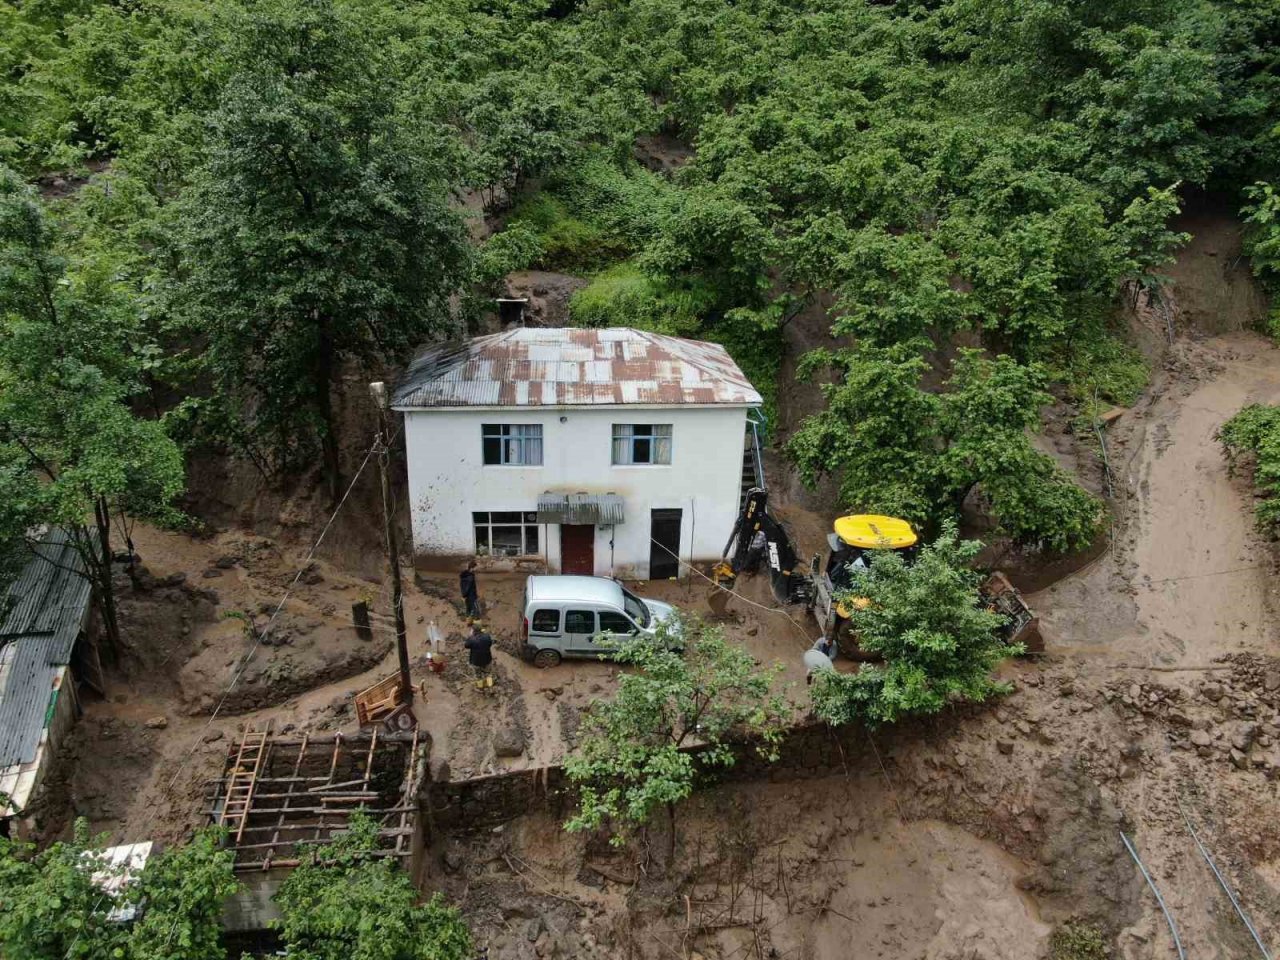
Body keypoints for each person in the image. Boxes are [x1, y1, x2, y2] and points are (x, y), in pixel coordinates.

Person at [464, 622, 495, 690]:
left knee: (478, 675)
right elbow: (490, 643)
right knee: (489, 673)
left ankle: (480, 687)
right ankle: (490, 686)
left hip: (476, 661)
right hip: (487, 659)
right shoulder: (487, 636)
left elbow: (466, 645)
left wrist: (470, 636)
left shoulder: (472, 639)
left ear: (474, 631)